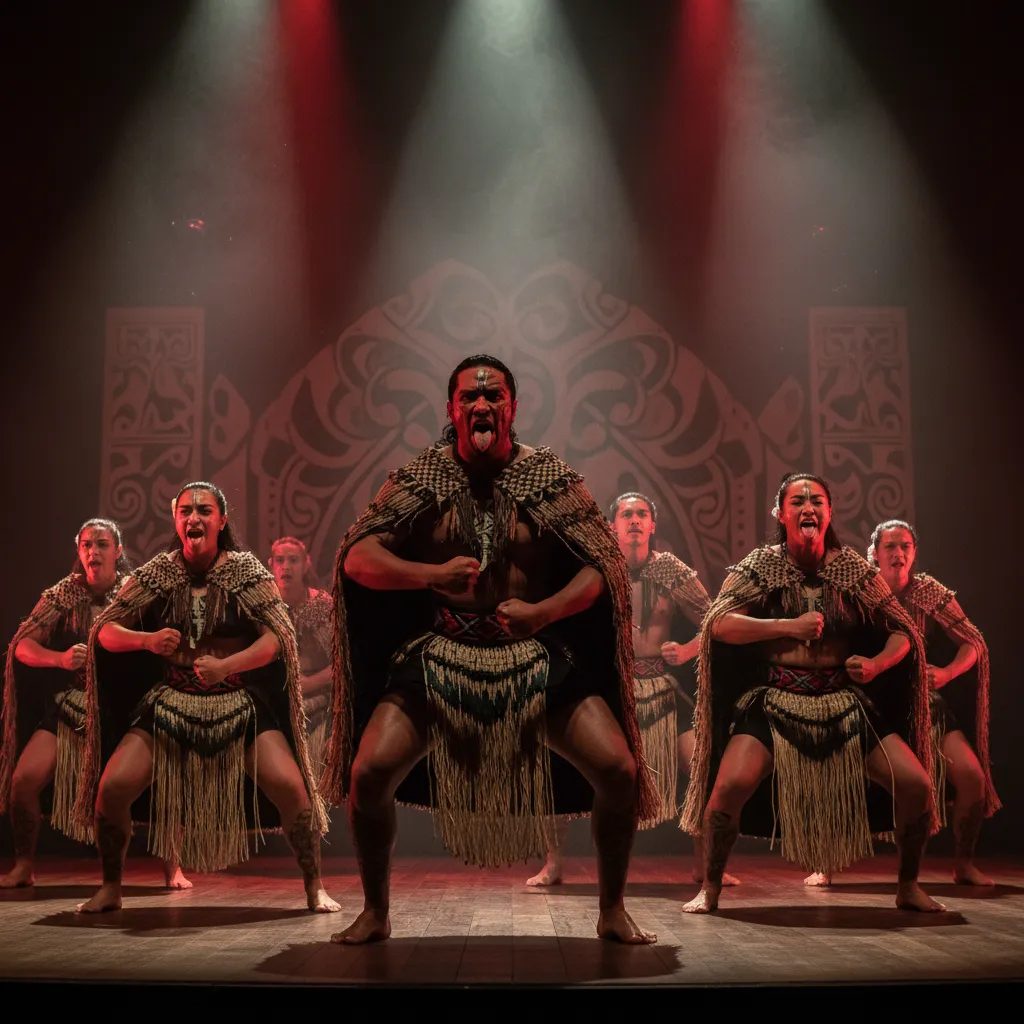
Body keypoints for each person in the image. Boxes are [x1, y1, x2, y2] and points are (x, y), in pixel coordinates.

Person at [324, 354, 659, 945]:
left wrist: (544, 612)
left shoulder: (551, 479)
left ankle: (611, 909)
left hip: (534, 660)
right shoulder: (420, 479)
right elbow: (357, 557)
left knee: (619, 769)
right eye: (470, 398)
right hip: (441, 657)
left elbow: (602, 568)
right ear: (451, 410)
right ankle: (376, 910)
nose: (482, 405)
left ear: (513, 407)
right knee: (369, 772)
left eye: (495, 396)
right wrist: (426, 575)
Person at [681, 473, 942, 914]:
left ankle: (908, 886)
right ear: (780, 514)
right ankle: (710, 887)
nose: (808, 508)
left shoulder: (854, 571)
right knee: (727, 788)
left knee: (916, 785)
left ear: (829, 513)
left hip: (843, 703)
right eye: (797, 501)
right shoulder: (760, 566)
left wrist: (877, 663)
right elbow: (718, 624)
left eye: (817, 500)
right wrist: (786, 627)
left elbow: (904, 632)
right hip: (777, 699)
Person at [72, 482, 336, 914]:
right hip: (171, 703)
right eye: (186, 511)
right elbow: (105, 630)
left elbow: (279, 637)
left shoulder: (248, 572)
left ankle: (314, 887)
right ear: (176, 520)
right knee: (113, 789)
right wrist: (147, 640)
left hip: (236, 702)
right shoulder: (158, 573)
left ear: (222, 520)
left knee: (293, 791)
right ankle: (111, 888)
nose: (194, 518)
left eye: (204, 510)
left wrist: (229, 666)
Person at [526, 492, 737, 887]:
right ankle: (553, 864)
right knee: (563, 763)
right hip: (611, 690)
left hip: (662, 690)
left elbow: (717, 621)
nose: (635, 520)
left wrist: (689, 649)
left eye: (642, 514)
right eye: (627, 514)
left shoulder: (674, 572)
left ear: (653, 526)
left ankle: (705, 864)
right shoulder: (598, 572)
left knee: (699, 766)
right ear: (613, 526)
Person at [0, 519, 188, 889]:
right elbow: (21, 646)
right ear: (78, 552)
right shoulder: (65, 594)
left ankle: (173, 867)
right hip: (75, 704)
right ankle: (23, 866)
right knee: (23, 781)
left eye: (101, 545)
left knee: (165, 780)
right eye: (86, 545)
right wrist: (59, 659)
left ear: (118, 552)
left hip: (129, 705)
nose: (93, 552)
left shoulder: (134, 591)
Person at [868, 519, 998, 885]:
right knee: (841, 778)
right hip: (871, 705)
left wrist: (946, 674)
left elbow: (974, 643)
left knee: (972, 779)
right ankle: (825, 864)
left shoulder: (928, 591)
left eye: (905, 546)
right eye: (890, 547)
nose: (898, 554)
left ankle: (964, 864)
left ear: (914, 552)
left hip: (926, 706)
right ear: (875, 554)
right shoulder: (861, 591)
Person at [269, 537, 333, 772]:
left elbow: (341, 666)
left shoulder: (322, 606)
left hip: (319, 708)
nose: (286, 566)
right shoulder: (265, 607)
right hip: (276, 705)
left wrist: (307, 684)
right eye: (280, 560)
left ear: (306, 565)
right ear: (271, 565)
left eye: (293, 560)